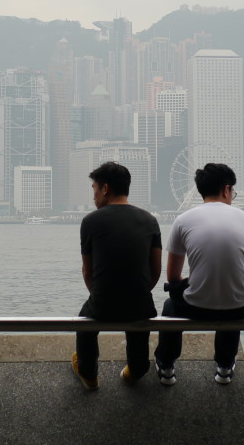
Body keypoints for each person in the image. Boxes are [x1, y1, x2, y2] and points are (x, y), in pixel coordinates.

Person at [153, 163, 244, 386]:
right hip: (240, 307)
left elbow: (172, 277)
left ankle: (166, 366)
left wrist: (194, 281)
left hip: (196, 307)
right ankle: (224, 367)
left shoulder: (183, 220)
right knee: (234, 296)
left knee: (170, 306)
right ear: (226, 189)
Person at [72, 161, 162, 390]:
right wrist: (139, 289)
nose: (93, 196)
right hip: (140, 303)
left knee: (84, 324)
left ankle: (89, 374)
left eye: (94, 189)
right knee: (138, 330)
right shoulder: (150, 221)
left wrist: (101, 294)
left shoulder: (91, 221)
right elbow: (156, 270)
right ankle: (136, 370)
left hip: (103, 301)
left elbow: (87, 270)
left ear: (105, 188)